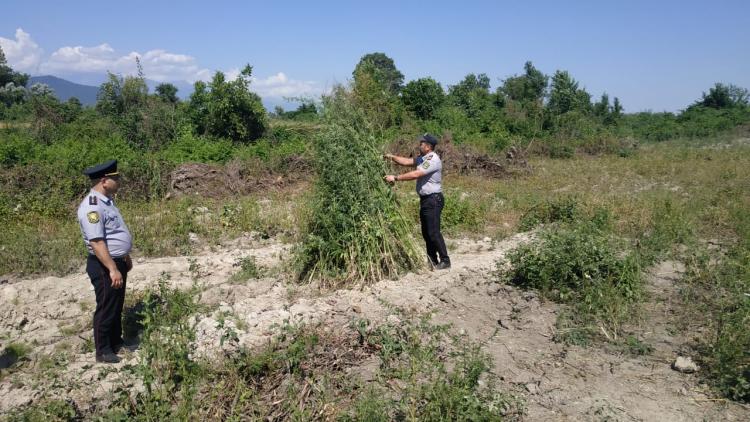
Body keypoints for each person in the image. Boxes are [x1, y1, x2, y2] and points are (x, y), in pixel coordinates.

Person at [77, 160, 133, 363]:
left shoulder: (107, 201)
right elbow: (97, 242)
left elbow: (114, 233)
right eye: (115, 178)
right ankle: (102, 350)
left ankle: (116, 342)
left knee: (117, 304)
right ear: (104, 181)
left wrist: (124, 256)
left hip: (116, 261)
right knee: (106, 306)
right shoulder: (91, 207)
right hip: (103, 265)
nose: (118, 181)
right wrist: (111, 268)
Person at [384, 133, 451, 270]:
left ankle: (445, 260)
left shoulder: (432, 160)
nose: (419, 145)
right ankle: (432, 261)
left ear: (428, 147)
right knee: (426, 232)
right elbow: (408, 162)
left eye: (421, 143)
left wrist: (395, 178)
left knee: (433, 232)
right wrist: (391, 157)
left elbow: (416, 174)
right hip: (426, 200)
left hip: (433, 199)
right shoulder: (423, 158)